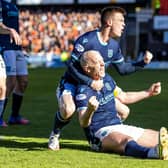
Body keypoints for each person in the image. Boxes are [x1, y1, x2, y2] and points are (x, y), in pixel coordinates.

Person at [48, 6, 153, 150]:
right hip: (73, 83)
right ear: (109, 22)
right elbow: (71, 67)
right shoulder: (87, 40)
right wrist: (90, 82)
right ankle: (55, 134)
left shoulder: (114, 46)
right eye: (121, 21)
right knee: (68, 110)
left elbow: (122, 69)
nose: (124, 25)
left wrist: (142, 63)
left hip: (97, 87)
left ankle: (102, 135)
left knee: (124, 111)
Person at [75, 50, 168, 160]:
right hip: (100, 132)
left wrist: (148, 93)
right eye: (97, 62)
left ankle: (160, 149)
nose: (102, 64)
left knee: (159, 137)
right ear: (87, 68)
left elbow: (124, 97)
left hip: (118, 126)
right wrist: (90, 109)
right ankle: (155, 153)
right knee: (125, 140)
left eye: (102, 60)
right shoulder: (83, 91)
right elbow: (83, 122)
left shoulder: (107, 79)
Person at [0, 0, 29, 127]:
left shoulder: (13, 4)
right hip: (6, 46)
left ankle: (14, 116)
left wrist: (20, 44)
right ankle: (0, 117)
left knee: (23, 81)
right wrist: (10, 30)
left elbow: (15, 28)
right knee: (9, 83)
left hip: (17, 47)